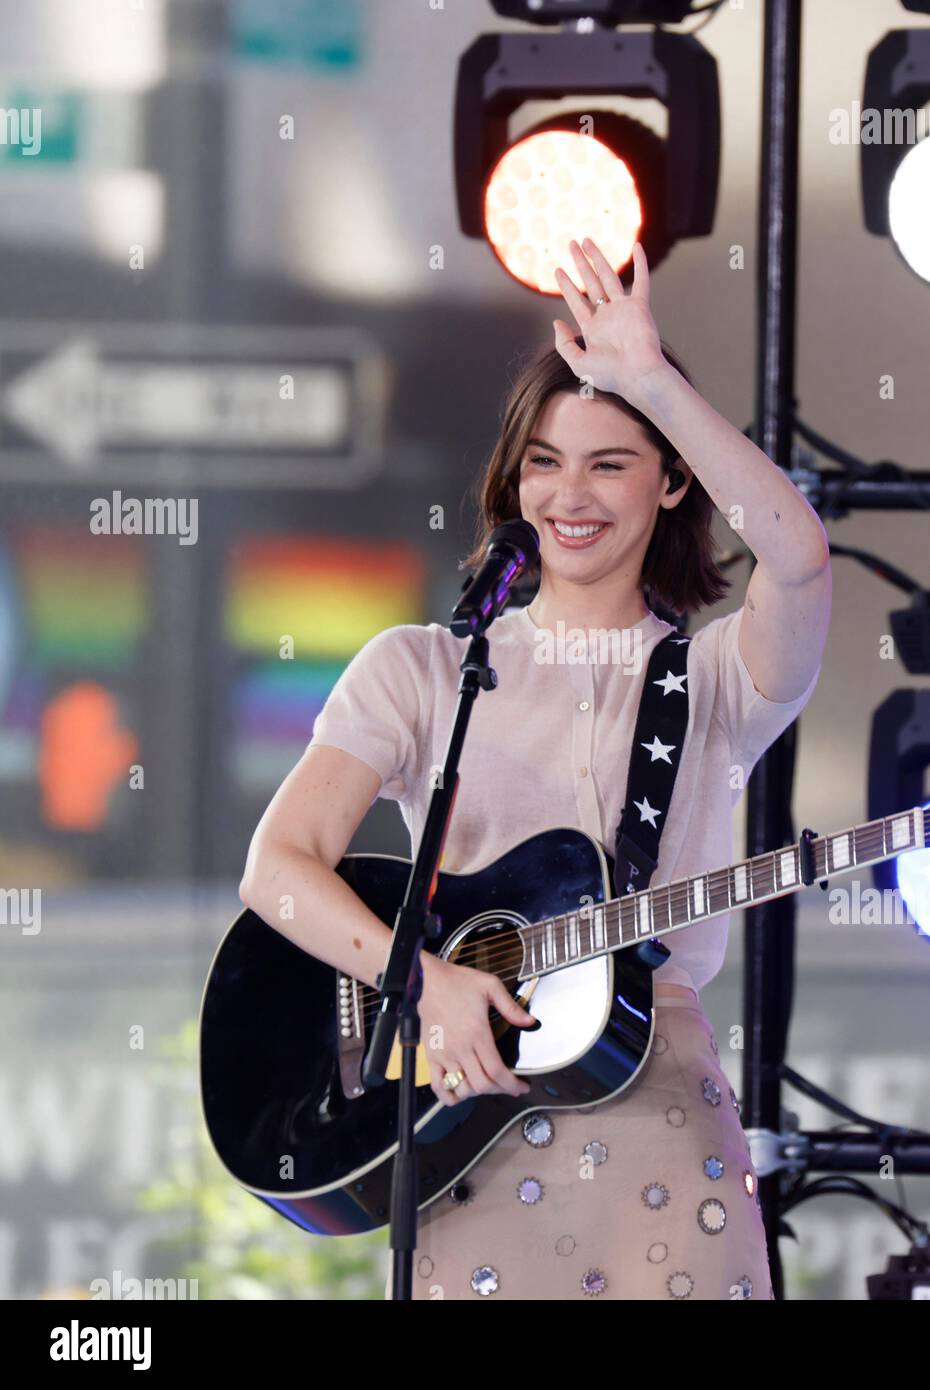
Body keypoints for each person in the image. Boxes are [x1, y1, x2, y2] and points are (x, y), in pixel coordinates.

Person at [238, 237, 832, 1300]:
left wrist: (649, 380)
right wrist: (420, 982)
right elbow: (278, 867)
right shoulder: (424, 669)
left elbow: (797, 558)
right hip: (464, 1106)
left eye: (611, 460)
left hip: (658, 1114)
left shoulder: (714, 677)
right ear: (513, 482)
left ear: (671, 480)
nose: (573, 493)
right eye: (545, 461)